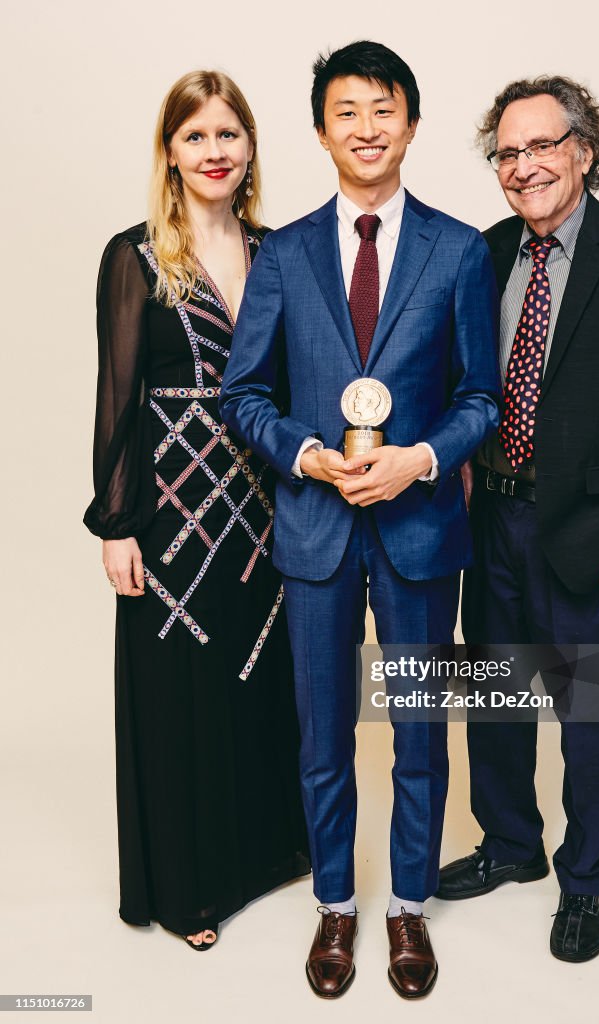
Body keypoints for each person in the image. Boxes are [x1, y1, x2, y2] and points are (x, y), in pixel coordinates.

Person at [220, 41, 499, 998]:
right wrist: (307, 454)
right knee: (323, 733)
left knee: (418, 731)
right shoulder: (285, 254)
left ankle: (409, 909)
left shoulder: (459, 249)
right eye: (347, 112)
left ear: (411, 124)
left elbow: (481, 397)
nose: (366, 128)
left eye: (384, 110)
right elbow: (245, 390)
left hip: (421, 533)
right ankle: (337, 905)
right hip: (314, 529)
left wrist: (419, 460)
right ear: (320, 131)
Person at [435, 76, 599, 962]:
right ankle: (511, 845)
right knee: (499, 704)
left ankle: (583, 879)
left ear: (585, 151)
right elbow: (464, 384)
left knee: (587, 714)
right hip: (493, 524)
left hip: (590, 533)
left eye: (543, 146)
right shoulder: (483, 252)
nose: (524, 167)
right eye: (507, 153)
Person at [84, 70, 310, 951]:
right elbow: (115, 399)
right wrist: (116, 525)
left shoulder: (279, 250)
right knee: (177, 697)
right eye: (196, 136)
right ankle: (185, 889)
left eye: (229, 134)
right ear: (170, 152)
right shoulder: (135, 255)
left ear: (250, 147)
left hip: (263, 508)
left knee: (258, 681)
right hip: (171, 514)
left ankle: (261, 859)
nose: (214, 152)